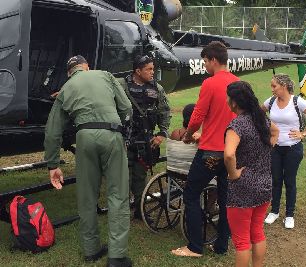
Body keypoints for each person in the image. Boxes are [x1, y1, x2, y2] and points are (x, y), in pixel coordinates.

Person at [44, 56, 133, 267]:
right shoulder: (105, 75)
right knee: (117, 195)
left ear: (69, 72)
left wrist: (53, 165)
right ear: (86, 67)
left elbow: (52, 131)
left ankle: (91, 250)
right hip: (111, 134)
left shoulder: (66, 88)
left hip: (83, 137)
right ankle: (117, 256)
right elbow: (127, 108)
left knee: (86, 196)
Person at [171, 41, 240, 257]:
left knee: (191, 194)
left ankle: (194, 247)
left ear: (213, 60)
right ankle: (221, 246)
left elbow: (196, 118)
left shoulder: (210, 83)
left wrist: (189, 136)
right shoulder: (239, 83)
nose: (205, 66)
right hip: (231, 152)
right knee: (225, 198)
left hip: (210, 153)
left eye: (205, 62)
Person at [224, 80, 279, 267]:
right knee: (257, 232)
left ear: (234, 102)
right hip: (264, 184)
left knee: (241, 241)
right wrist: (267, 149)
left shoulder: (237, 125)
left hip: (243, 188)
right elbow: (276, 131)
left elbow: (229, 154)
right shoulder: (261, 119)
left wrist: (233, 174)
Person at [261, 73, 306, 229]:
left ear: (284, 86)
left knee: (289, 181)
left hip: (293, 148)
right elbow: (257, 114)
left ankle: (289, 215)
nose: (272, 89)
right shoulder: (271, 102)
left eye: (274, 86)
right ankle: (274, 211)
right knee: (275, 180)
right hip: (274, 148)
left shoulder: (297, 102)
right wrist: (265, 131)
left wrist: (303, 134)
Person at [117, 55, 171, 221]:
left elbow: (164, 111)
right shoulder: (121, 86)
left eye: (153, 69)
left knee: (141, 177)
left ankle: (140, 211)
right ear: (137, 71)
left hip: (145, 140)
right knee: (122, 177)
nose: (152, 72)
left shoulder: (157, 88)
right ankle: (122, 213)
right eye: (149, 69)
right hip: (123, 140)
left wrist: (162, 133)